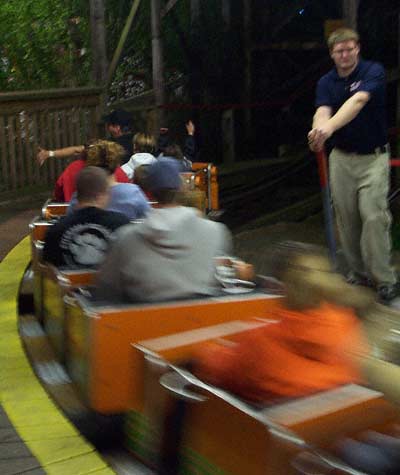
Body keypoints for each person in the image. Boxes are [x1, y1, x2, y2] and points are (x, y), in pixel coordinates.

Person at [194, 241, 370, 404]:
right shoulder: (347, 324)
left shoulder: (259, 342)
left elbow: (216, 368)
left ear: (278, 285)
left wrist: (213, 350)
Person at [307, 27, 398, 303]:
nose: (345, 54)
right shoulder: (326, 82)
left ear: (357, 48)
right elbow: (322, 111)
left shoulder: (373, 72)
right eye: (339, 51)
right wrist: (317, 132)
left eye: (349, 48)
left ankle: (384, 279)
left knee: (373, 214)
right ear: (332, 54)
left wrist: (328, 129)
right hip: (342, 159)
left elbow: (357, 101)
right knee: (347, 219)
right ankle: (358, 273)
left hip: (373, 158)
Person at [94, 159, 232, 302]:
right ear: (182, 186)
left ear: (149, 192)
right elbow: (219, 278)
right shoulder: (214, 232)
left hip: (145, 320)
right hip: (203, 319)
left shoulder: (125, 238)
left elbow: (107, 290)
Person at [42, 167, 130, 269]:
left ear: (77, 194)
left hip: (70, 284)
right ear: (101, 195)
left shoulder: (56, 230)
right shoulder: (122, 224)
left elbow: (49, 271)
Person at [68, 140, 150, 220]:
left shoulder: (79, 196)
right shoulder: (133, 193)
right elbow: (148, 219)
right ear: (117, 164)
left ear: (90, 163)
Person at [37, 108, 135, 166]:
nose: (107, 126)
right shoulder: (139, 141)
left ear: (117, 127)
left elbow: (76, 150)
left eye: (109, 124)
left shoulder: (108, 145)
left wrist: (49, 153)